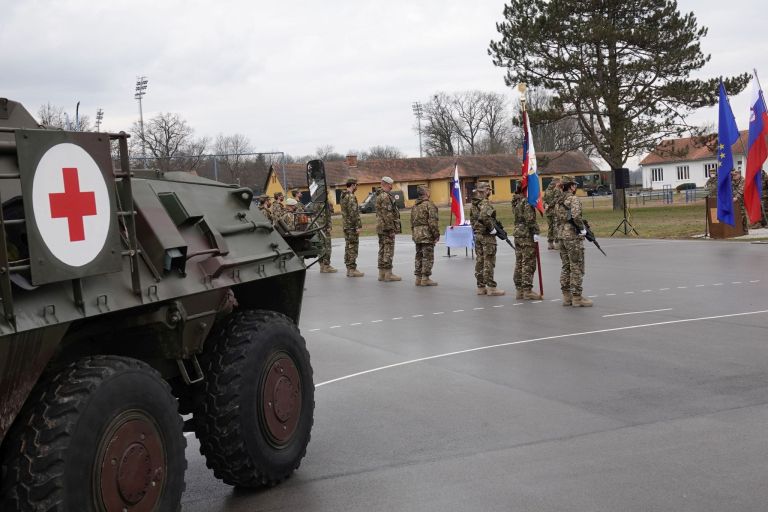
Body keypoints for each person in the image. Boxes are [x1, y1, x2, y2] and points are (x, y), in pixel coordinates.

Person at [554, 176, 592, 307]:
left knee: (566, 266)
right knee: (576, 266)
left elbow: (556, 220)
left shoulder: (558, 200)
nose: (576, 187)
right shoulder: (573, 199)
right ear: (570, 186)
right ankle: (577, 297)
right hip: (572, 236)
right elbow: (576, 215)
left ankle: (566, 296)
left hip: (561, 235)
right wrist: (582, 229)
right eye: (574, 185)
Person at [470, 182, 504, 296]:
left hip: (478, 235)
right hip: (487, 236)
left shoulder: (474, 203)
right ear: (484, 190)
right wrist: (491, 228)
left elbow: (473, 219)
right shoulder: (485, 203)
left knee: (480, 261)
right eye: (488, 189)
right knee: (489, 261)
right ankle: (491, 288)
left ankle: (481, 287)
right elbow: (484, 216)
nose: (490, 192)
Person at [512, 184, 541, 300]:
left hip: (518, 234)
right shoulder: (527, 202)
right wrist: (536, 231)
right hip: (526, 235)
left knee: (519, 262)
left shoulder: (517, 201)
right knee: (528, 262)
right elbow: (530, 220)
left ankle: (519, 290)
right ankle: (527, 290)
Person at [410, 185, 440, 286]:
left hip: (417, 234)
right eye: (429, 191)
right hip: (426, 234)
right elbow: (432, 222)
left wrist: (414, 234)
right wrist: (436, 235)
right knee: (427, 256)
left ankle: (418, 278)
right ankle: (425, 278)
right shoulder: (429, 205)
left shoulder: (415, 205)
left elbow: (412, 222)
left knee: (419, 256)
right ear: (426, 193)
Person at [375, 176, 402, 282]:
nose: (392, 186)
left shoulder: (379, 196)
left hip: (381, 227)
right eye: (391, 184)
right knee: (388, 250)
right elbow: (388, 214)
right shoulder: (385, 197)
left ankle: (381, 273)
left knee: (382, 249)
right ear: (386, 184)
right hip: (386, 228)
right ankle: (388, 274)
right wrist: (391, 229)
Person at [340, 177, 364, 277]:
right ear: (353, 185)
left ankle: (349, 268)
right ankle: (352, 269)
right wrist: (358, 226)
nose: (356, 187)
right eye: (356, 185)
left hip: (346, 225)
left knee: (348, 247)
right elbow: (354, 213)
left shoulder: (343, 196)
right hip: (351, 226)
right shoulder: (350, 197)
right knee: (353, 247)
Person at [318, 197, 337, 273]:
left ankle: (322, 265)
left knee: (321, 246)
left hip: (318, 226)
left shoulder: (315, 201)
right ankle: (326, 266)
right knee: (327, 247)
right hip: (325, 227)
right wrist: (329, 226)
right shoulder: (326, 202)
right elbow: (328, 214)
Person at [543, 178, 561, 250]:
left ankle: (550, 244)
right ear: (556, 183)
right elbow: (556, 199)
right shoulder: (556, 190)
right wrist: (550, 205)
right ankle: (557, 243)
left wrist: (546, 205)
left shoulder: (547, 190)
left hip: (548, 212)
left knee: (550, 227)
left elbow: (544, 200)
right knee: (556, 226)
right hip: (555, 211)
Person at [731, 169, 748, 234]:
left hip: (740, 199)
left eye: (735, 175)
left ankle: (745, 230)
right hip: (733, 200)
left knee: (742, 214)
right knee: (735, 215)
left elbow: (741, 190)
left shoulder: (743, 180)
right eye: (733, 175)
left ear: (739, 174)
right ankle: (737, 229)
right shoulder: (732, 181)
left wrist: (736, 197)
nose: (734, 176)